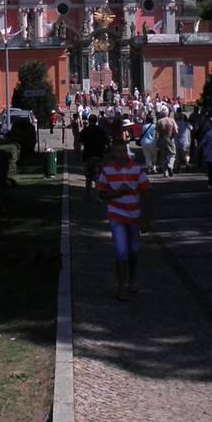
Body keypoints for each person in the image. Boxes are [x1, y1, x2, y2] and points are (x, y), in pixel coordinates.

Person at [95, 132, 152, 300]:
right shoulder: (107, 171)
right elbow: (102, 194)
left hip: (134, 216)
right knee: (121, 252)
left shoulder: (136, 168)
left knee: (134, 251)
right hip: (117, 215)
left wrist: (147, 218)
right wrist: (117, 193)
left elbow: (147, 192)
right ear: (113, 153)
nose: (121, 154)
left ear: (127, 152)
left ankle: (131, 280)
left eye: (123, 151)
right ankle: (121, 288)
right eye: (117, 151)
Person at [79, 118, 111, 199]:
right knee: (98, 177)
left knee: (88, 177)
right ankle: (98, 197)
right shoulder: (101, 130)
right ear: (96, 121)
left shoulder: (85, 130)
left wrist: (79, 153)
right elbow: (107, 142)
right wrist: (108, 150)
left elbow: (80, 142)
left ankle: (87, 195)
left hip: (87, 155)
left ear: (89, 121)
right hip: (98, 155)